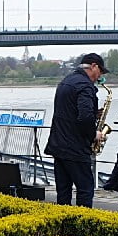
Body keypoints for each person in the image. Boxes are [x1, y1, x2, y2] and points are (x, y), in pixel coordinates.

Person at [44, 52, 107, 207]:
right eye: (100, 72)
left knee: (63, 192)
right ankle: (83, 226)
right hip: (76, 148)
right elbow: (84, 118)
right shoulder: (85, 85)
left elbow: (69, 111)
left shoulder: (66, 81)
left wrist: (94, 113)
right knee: (85, 189)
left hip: (58, 145)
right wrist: (95, 134)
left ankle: (62, 227)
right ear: (93, 66)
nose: (100, 77)